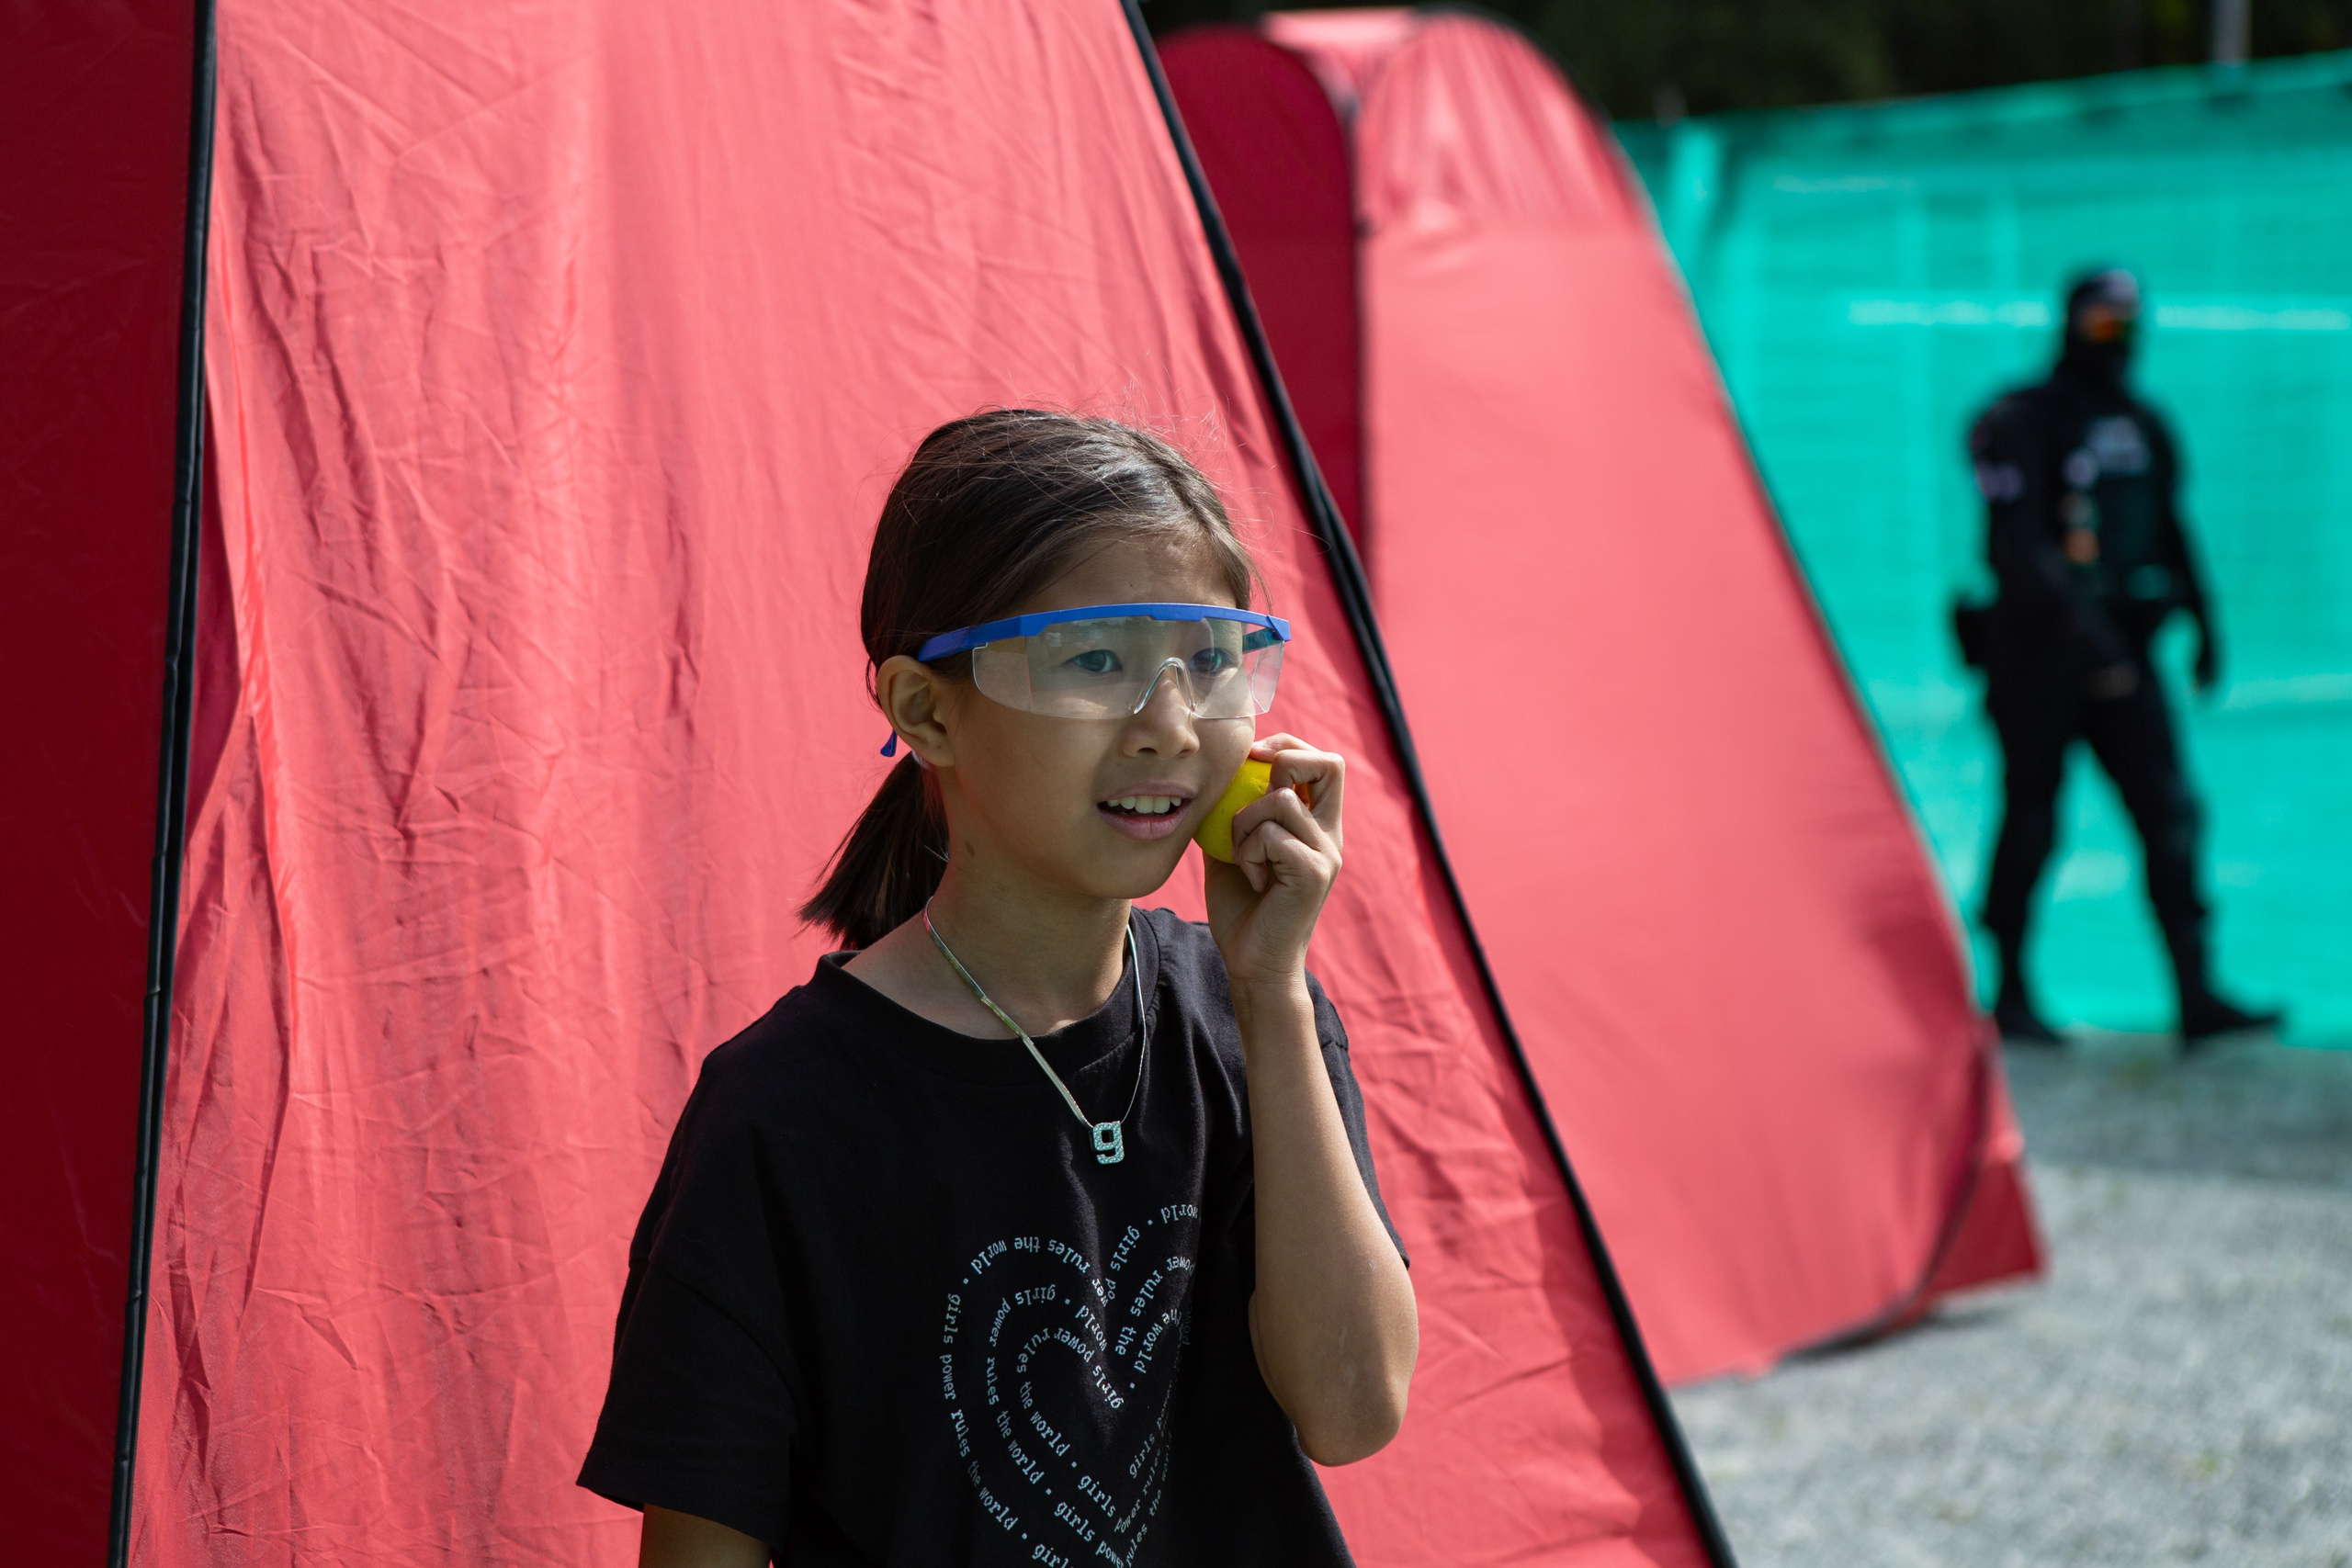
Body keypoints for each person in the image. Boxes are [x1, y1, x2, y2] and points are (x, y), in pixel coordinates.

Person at [578, 411, 1417, 1566]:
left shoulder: (1253, 1018)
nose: (1166, 728)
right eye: (1095, 662)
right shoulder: (782, 1113)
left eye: (1212, 660)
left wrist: (1271, 990)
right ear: (926, 710)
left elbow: (1353, 1407)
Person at [1962, 268, 2281, 1045]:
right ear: (2070, 324)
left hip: (2128, 654)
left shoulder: (2143, 423)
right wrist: (2082, 634)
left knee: (2170, 814)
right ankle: (2009, 993)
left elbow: (2172, 526)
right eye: (2103, 324)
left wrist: (2206, 624)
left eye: (2128, 325)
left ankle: (2197, 995)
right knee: (2033, 814)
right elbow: (2019, 543)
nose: (2117, 341)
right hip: (2041, 658)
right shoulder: (2022, 419)